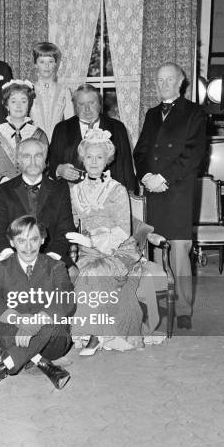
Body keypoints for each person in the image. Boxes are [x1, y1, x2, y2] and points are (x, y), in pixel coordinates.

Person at [133, 62, 207, 330]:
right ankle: (158, 304)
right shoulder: (152, 114)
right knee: (154, 249)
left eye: (169, 79)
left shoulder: (195, 113)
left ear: (180, 82)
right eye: (159, 80)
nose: (163, 84)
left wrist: (163, 178)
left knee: (178, 251)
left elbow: (193, 153)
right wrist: (145, 177)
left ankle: (183, 308)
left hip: (177, 192)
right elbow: (140, 151)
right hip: (153, 191)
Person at [66, 129, 151, 354]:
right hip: (88, 252)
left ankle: (96, 335)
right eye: (89, 157)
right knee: (80, 274)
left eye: (99, 157)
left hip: (119, 251)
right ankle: (86, 330)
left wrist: (90, 239)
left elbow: (124, 229)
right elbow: (70, 222)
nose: (94, 162)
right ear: (82, 159)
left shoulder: (117, 189)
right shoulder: (75, 191)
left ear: (107, 160)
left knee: (94, 274)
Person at [0, 216, 74, 395]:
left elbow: (67, 299)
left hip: (52, 341)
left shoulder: (56, 266)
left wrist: (37, 321)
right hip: (13, 335)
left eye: (34, 240)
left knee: (50, 318)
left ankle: (1, 368)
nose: (28, 247)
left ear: (43, 240)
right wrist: (19, 319)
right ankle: (43, 363)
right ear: (12, 242)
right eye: (21, 241)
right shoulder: (2, 267)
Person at [0, 138, 75, 271]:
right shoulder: (3, 190)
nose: (33, 162)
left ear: (45, 160)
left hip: (52, 254)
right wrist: (10, 257)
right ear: (18, 160)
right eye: (27, 156)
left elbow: (66, 228)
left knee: (73, 276)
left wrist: (50, 258)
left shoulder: (60, 189)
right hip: (13, 255)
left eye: (38, 156)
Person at [47, 83, 137, 193]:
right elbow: (50, 162)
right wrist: (59, 169)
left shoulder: (117, 128)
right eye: (81, 104)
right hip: (71, 197)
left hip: (110, 196)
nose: (87, 109)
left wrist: (131, 195)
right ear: (75, 106)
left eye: (91, 103)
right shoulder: (61, 128)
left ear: (100, 104)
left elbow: (127, 166)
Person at [0, 79, 49, 188]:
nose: (18, 106)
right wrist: (1, 179)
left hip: (31, 187)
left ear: (29, 104)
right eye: (13, 101)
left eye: (23, 101)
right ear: (6, 105)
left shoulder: (39, 134)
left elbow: (44, 165)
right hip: (1, 187)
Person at [30, 42, 74, 137]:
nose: (47, 66)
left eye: (50, 61)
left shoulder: (64, 91)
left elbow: (70, 123)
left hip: (58, 143)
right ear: (35, 64)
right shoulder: (29, 89)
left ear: (56, 64)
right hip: (33, 144)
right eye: (42, 62)